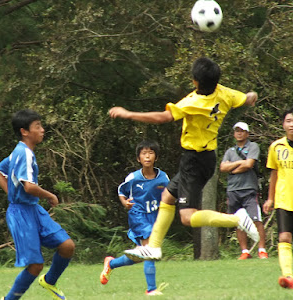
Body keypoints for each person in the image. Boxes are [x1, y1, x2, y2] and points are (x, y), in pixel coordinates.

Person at [108, 57, 259, 261]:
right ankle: (154, 247)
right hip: (205, 158)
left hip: (194, 161)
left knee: (187, 217)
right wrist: (251, 95)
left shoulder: (193, 102)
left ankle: (236, 219)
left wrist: (128, 113)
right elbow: (247, 98)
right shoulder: (225, 93)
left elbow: (163, 117)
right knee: (167, 197)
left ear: (195, 81)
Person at [0, 109, 75, 300]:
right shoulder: (24, 154)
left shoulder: (19, 152)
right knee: (35, 265)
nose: (42, 130)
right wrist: (50, 195)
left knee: (67, 246)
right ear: (25, 131)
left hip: (33, 210)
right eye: (37, 126)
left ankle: (50, 281)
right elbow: (29, 187)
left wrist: (12, 193)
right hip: (21, 213)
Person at [100, 140, 170, 296]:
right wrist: (124, 202)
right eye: (144, 153)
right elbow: (121, 191)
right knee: (150, 249)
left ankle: (111, 263)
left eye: (150, 153)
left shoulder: (163, 178)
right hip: (138, 216)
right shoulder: (133, 178)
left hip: (154, 218)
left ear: (156, 157)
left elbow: (169, 195)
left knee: (140, 255)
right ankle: (151, 289)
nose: (147, 156)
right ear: (139, 158)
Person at [220, 122, 268, 260]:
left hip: (249, 189)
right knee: (238, 221)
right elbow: (223, 168)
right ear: (234, 133)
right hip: (233, 189)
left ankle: (262, 250)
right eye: (237, 131)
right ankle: (245, 251)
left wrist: (232, 168)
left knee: (256, 219)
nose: (239, 133)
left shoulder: (253, 146)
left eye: (242, 131)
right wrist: (239, 164)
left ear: (247, 133)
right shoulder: (230, 151)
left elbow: (249, 164)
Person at [263, 108, 293, 289]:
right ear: (283, 124)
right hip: (284, 199)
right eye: (289, 121)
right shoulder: (276, 147)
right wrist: (270, 198)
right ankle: (288, 275)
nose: (292, 124)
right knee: (284, 237)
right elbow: (274, 174)